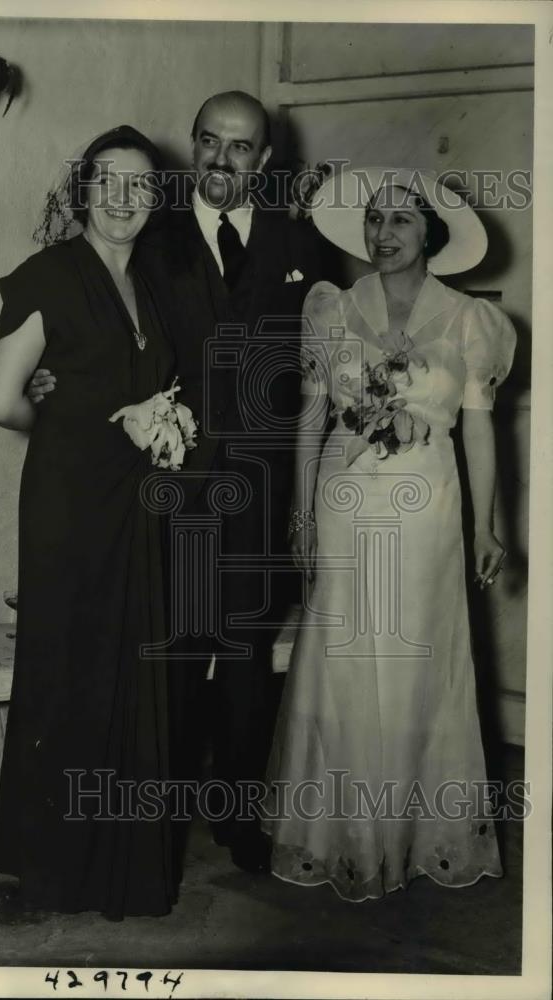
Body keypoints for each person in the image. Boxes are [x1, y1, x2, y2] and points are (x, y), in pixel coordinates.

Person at [31, 92, 333, 872]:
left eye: (240, 148)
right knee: (165, 653)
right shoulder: (145, 240)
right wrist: (48, 384)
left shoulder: (301, 246)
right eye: (208, 142)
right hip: (164, 487)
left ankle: (236, 819)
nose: (221, 161)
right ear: (192, 147)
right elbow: (88, 330)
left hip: (258, 493)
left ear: (263, 161)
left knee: (241, 655)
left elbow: (323, 374)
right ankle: (151, 821)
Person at [264, 166, 515, 901]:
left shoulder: (470, 318)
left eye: (400, 220)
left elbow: (477, 430)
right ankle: (342, 838)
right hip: (342, 501)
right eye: (373, 219)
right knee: (341, 660)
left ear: (430, 233)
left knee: (417, 665)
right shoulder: (331, 308)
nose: (383, 233)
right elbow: (310, 417)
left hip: (426, 510)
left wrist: (486, 526)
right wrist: (301, 511)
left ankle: (413, 836)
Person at [0, 126, 179, 920]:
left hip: (135, 503)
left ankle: (121, 870)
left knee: (130, 670)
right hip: (69, 504)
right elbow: (0, 403)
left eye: (139, 184)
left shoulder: (155, 282)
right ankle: (58, 868)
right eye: (108, 181)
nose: (124, 198)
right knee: (68, 671)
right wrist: (82, 432)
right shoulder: (46, 275)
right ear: (81, 190)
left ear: (155, 198)